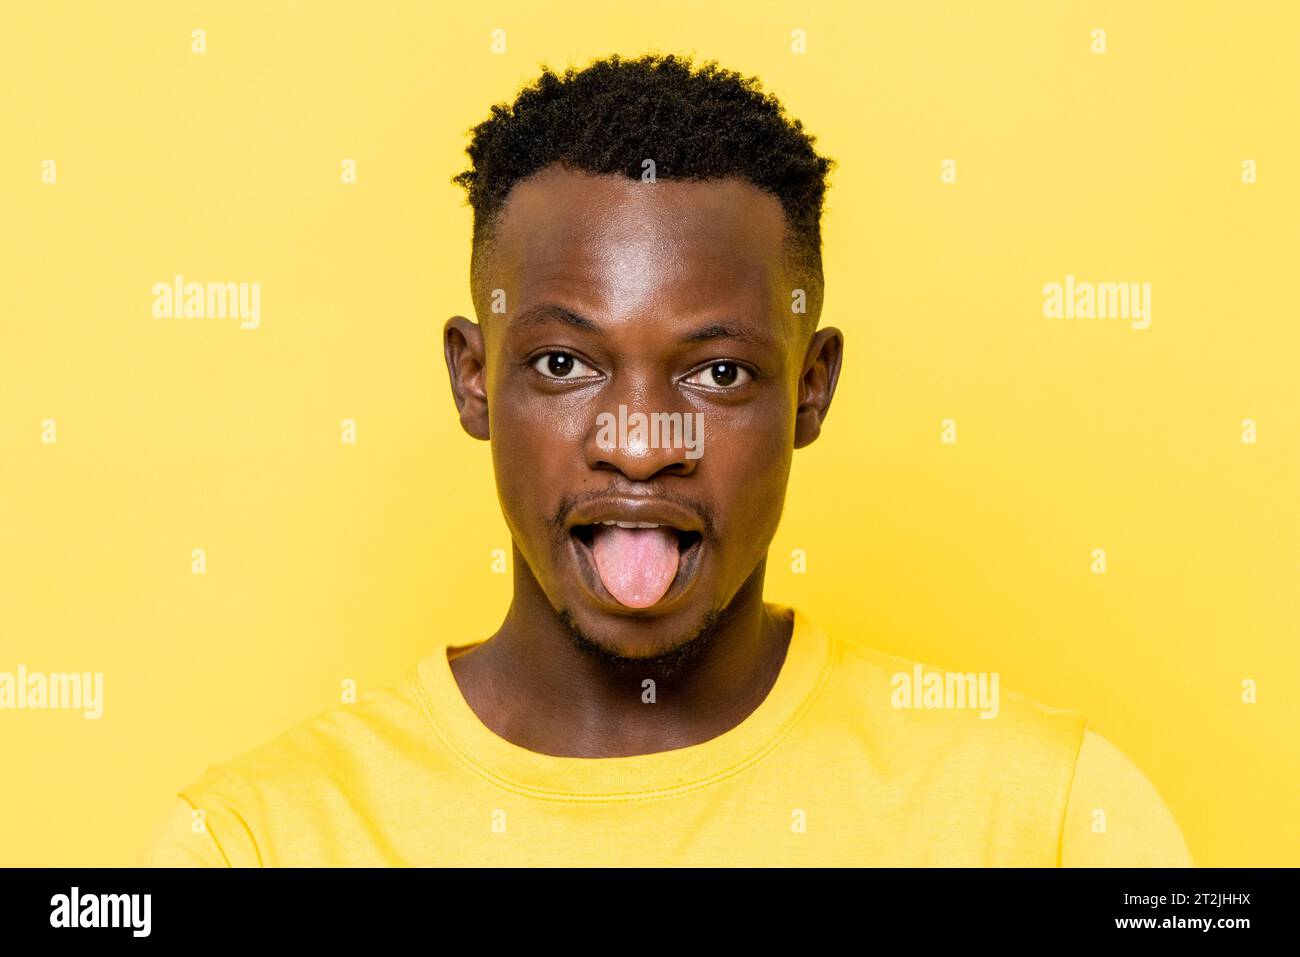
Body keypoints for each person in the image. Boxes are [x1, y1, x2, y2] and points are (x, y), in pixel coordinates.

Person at [139, 53, 1191, 867]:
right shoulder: (259, 841)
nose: (640, 443)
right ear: (472, 378)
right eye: (563, 362)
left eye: (718, 376)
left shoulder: (1051, 816)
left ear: (810, 391)